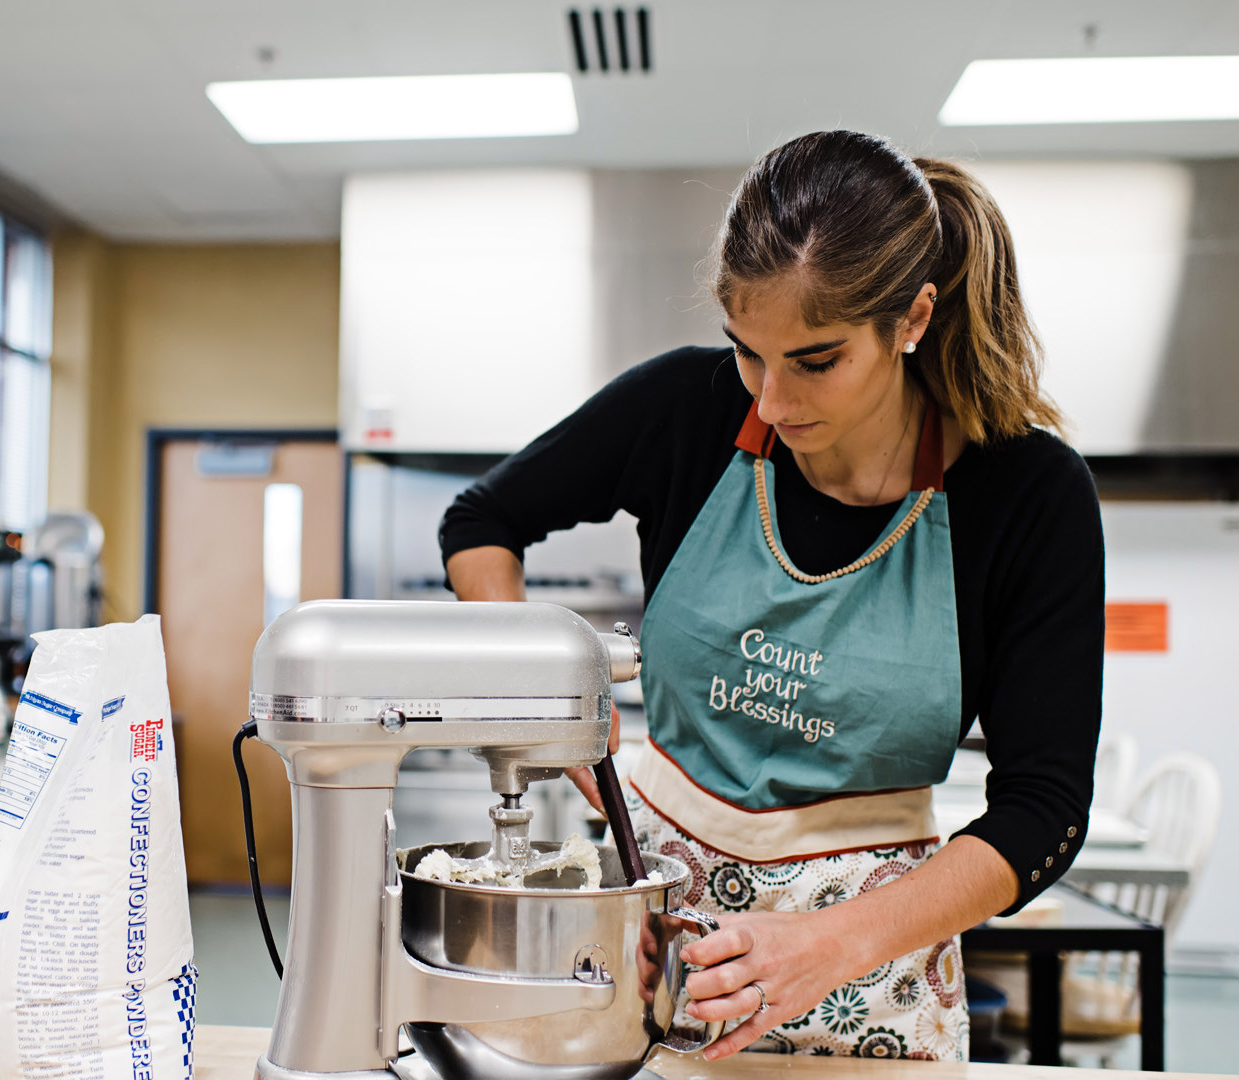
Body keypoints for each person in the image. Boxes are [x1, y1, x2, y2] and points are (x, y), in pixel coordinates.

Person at [438, 130, 1103, 1061]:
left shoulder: (1024, 492)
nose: (775, 399)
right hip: (651, 942)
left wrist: (829, 946)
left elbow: (1044, 809)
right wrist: (544, 706)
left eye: (817, 360)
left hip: (877, 977)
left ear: (911, 318)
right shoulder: (688, 408)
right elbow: (481, 523)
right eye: (749, 352)